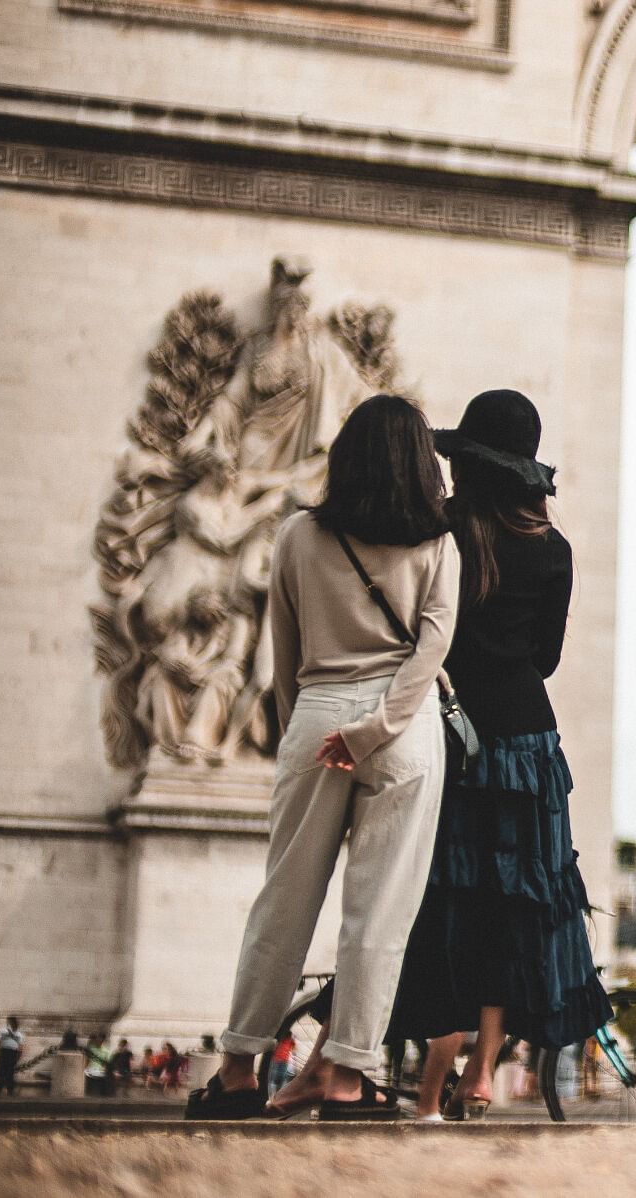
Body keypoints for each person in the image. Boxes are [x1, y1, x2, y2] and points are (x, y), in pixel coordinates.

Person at [187, 394, 460, 1122]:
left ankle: (239, 1069)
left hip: (317, 716)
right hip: (404, 732)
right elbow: (431, 652)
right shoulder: (439, 542)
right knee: (379, 914)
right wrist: (377, 730)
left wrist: (302, 738)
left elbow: (284, 653)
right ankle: (346, 1075)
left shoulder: (298, 536)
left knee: (284, 901)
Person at [378, 389, 612, 1122]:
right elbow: (544, 658)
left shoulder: (444, 534)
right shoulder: (555, 550)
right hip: (529, 744)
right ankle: (483, 1070)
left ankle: (426, 1090)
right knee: (517, 908)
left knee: (451, 904)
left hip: (452, 735)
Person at [0, 1018, 19, 1096]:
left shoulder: (18, 1033)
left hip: (8, 1052)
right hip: (7, 1052)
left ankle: (4, 1091)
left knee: (6, 1073)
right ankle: (4, 1091)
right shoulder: (3, 1031)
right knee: (4, 1073)